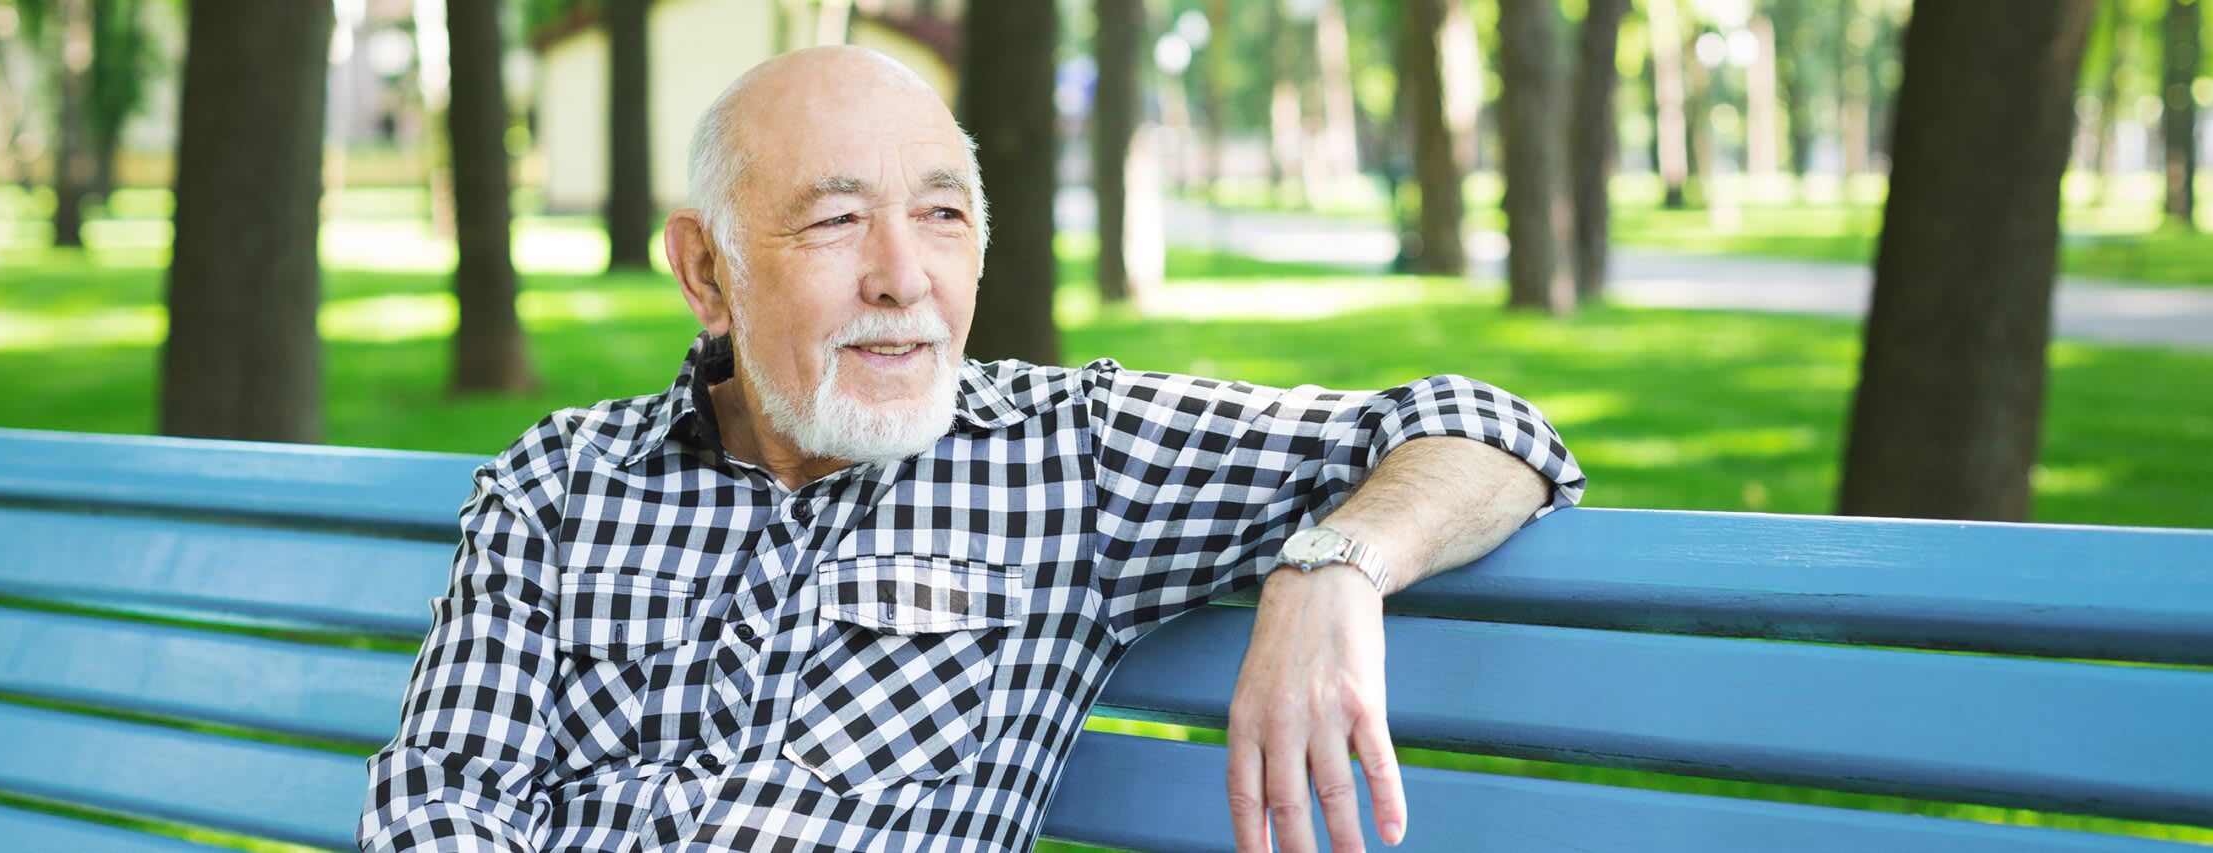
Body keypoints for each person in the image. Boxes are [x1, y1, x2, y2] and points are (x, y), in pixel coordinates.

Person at [359, 45, 1583, 853]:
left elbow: (1492, 432)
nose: (903, 278)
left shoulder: (1072, 461)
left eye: (942, 216)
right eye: (837, 221)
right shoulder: (560, 485)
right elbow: (437, 801)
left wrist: (1334, 563)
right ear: (706, 270)